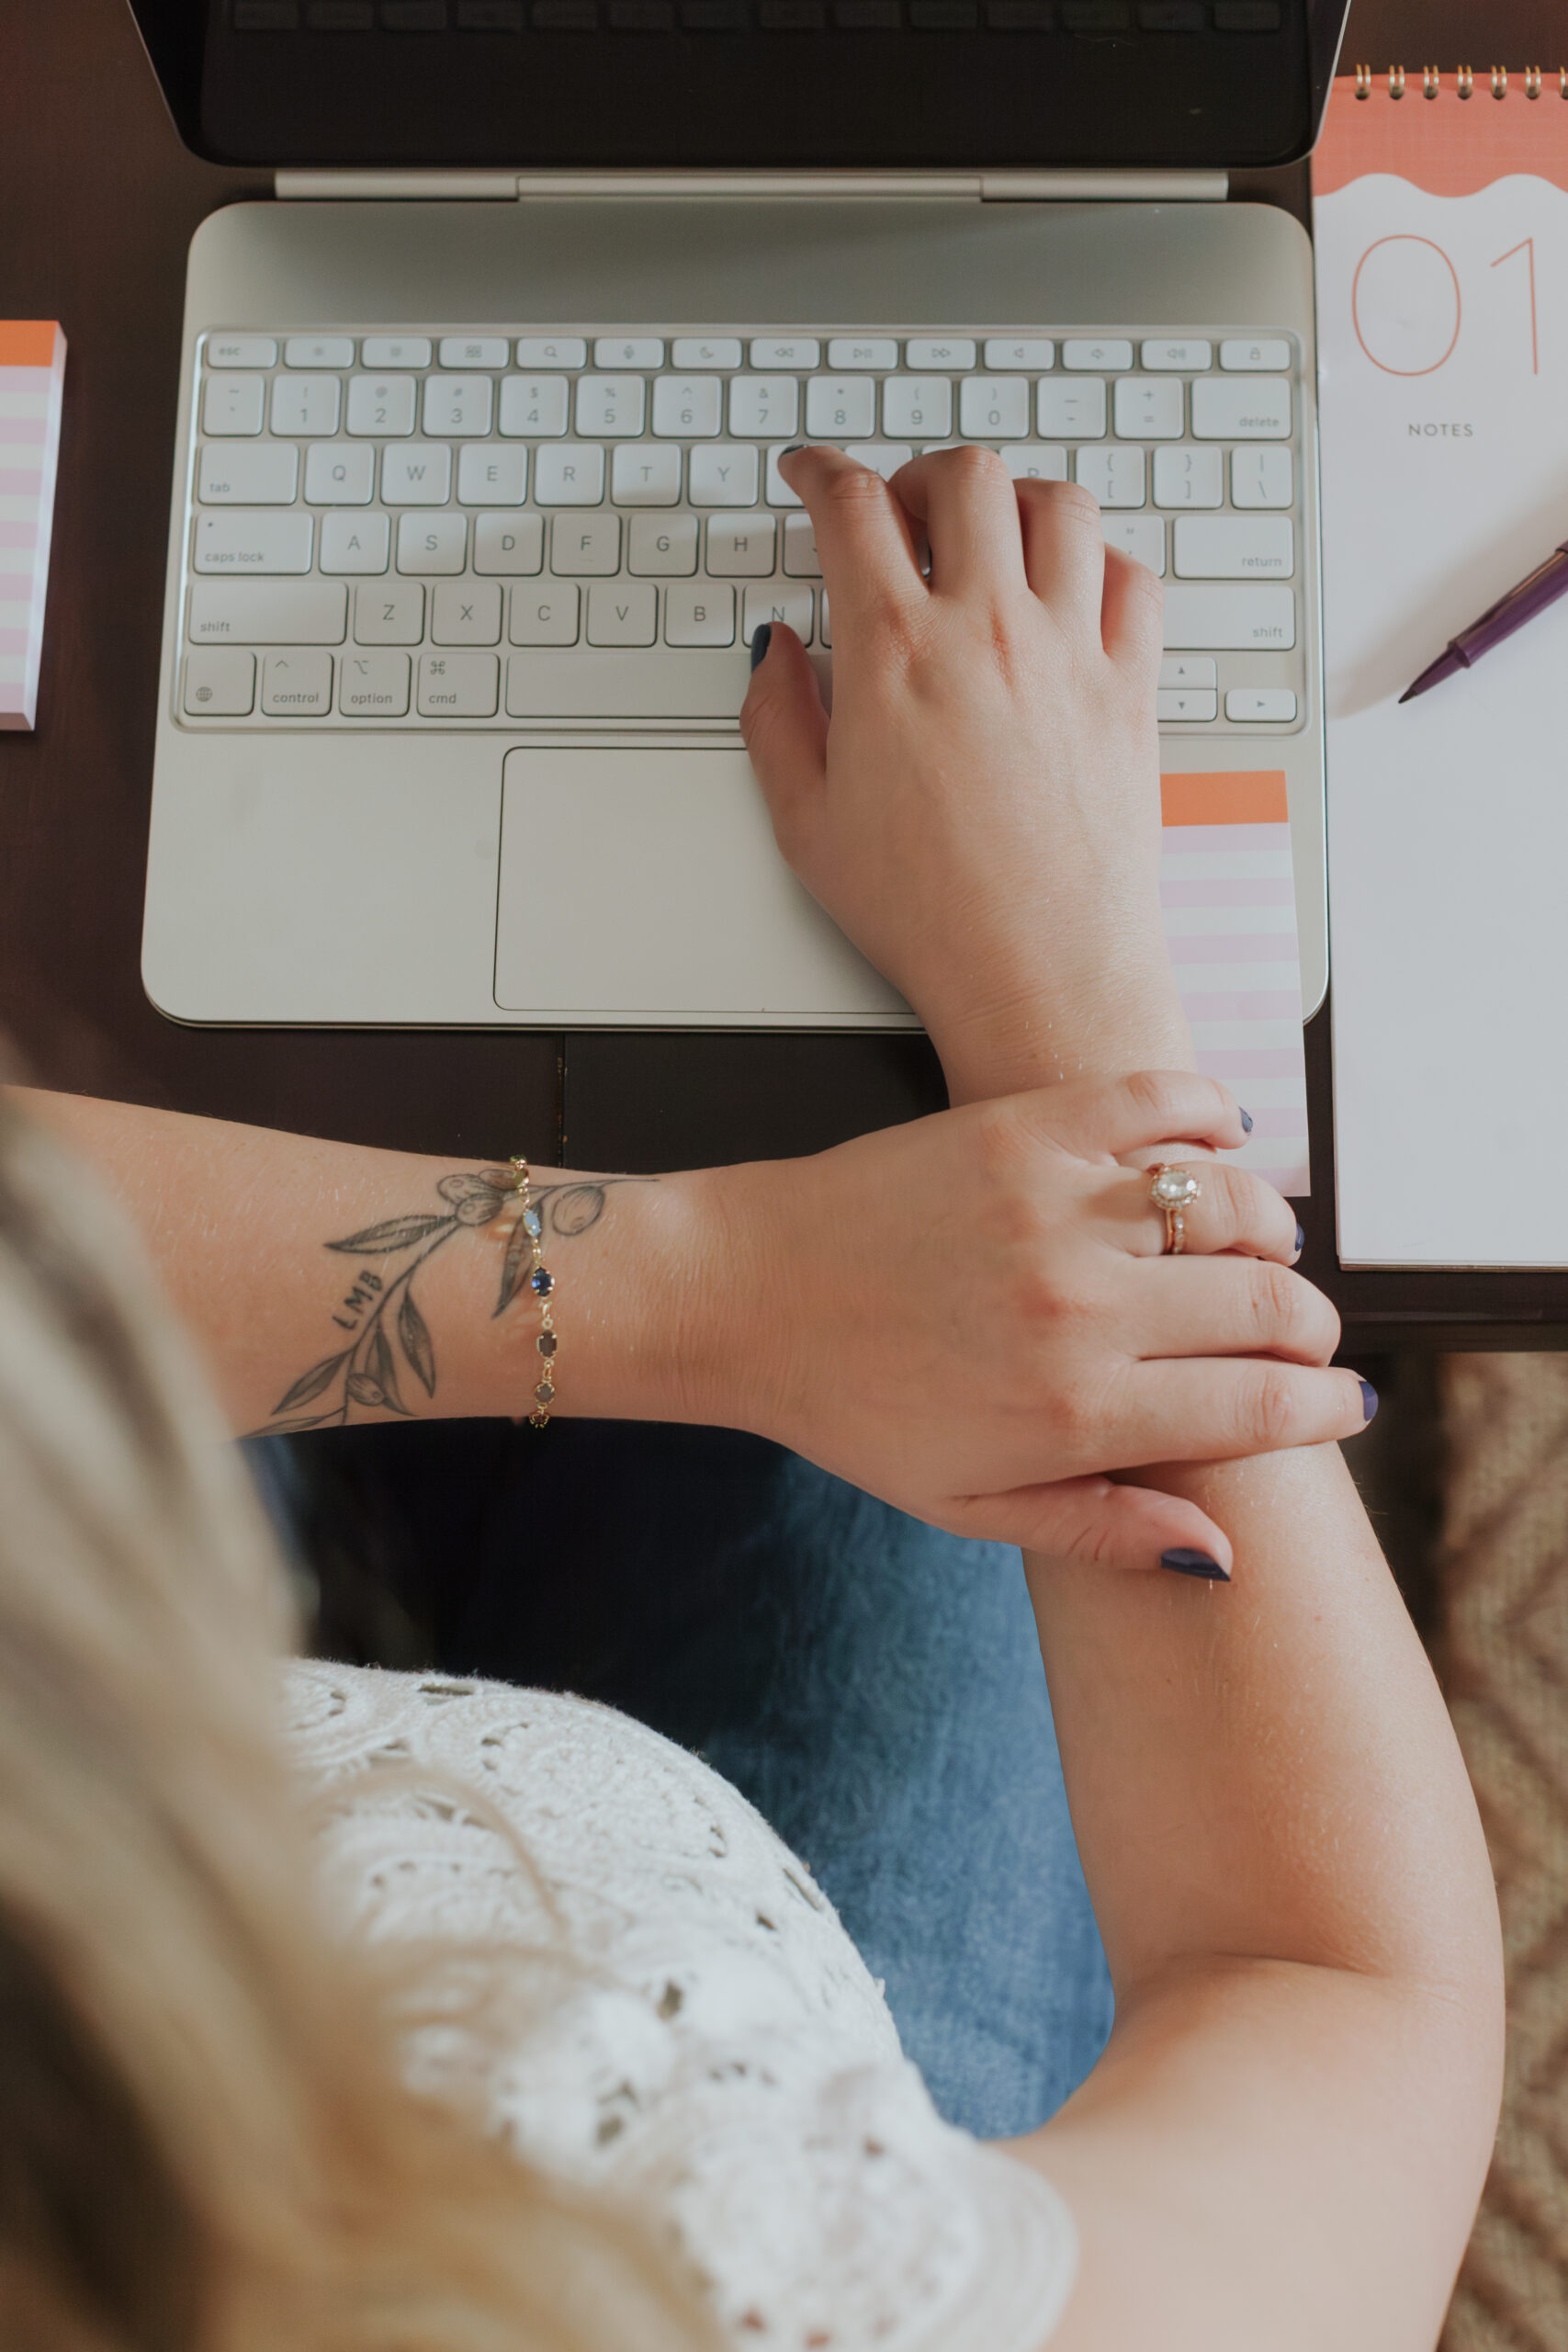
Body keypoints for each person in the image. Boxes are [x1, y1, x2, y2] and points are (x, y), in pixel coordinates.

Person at [1, 449, 1503, 2350]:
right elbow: (1322, 1975)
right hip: (746, 2009)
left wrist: (738, 1287)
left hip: (163, 1741)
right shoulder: (810, 2277)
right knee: (884, 1189)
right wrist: (1067, 1013)